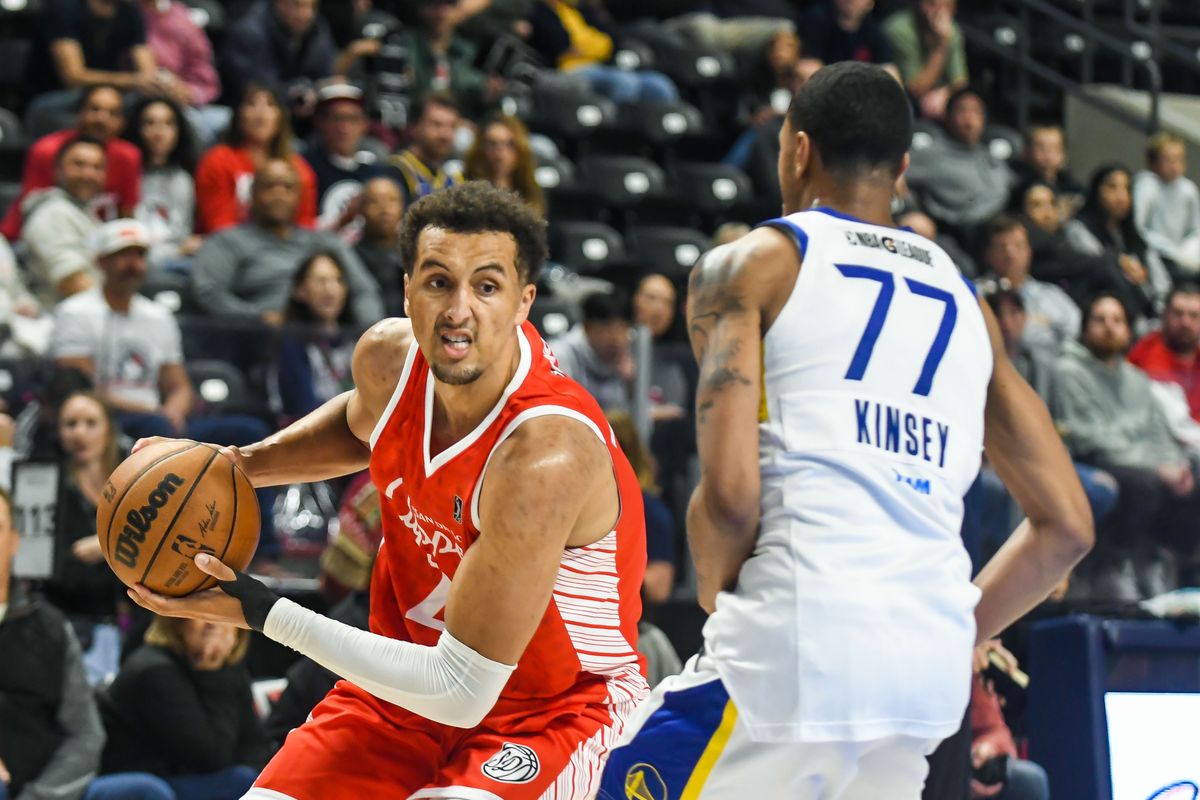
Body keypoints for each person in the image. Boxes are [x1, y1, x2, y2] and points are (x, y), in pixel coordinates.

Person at [598, 62, 1091, 798]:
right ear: (903, 168)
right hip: (924, 681)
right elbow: (1069, 527)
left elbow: (729, 498)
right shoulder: (968, 304)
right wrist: (958, 629)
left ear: (798, 150)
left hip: (800, 642)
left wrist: (721, 594)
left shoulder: (751, 266)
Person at [126, 181, 651, 798]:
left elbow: (462, 689)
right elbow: (362, 424)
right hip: (400, 695)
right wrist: (234, 466)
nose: (458, 310)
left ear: (523, 302)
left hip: (553, 711)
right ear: (407, 291)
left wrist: (261, 612)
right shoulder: (390, 360)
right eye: (438, 282)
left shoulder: (544, 454)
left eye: (486, 286)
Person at [51, 219, 282, 558]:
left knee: (250, 433)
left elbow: (179, 384)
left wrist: (175, 407)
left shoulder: (157, 316)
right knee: (157, 427)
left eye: (139, 255)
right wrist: (155, 412)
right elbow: (81, 388)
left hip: (158, 421)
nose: (133, 264)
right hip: (110, 419)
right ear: (100, 261)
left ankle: (261, 551)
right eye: (123, 256)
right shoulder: (75, 311)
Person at [0, 487, 176, 800]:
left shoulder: (49, 626)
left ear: (15, 539)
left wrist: (40, 795)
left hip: (47, 789)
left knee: (146, 792)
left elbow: (85, 733)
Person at [1052, 293, 1199, 599]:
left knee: (1192, 477)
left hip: (1140, 462)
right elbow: (1088, 437)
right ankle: (1113, 564)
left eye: (1117, 321)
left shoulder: (1137, 378)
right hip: (1092, 460)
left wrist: (1177, 465)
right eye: (1100, 320)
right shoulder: (1068, 371)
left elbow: (1158, 433)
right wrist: (1157, 467)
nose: (1109, 327)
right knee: (1144, 485)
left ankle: (1161, 559)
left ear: (1128, 330)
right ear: (1084, 328)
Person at [191, 159, 383, 324]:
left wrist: (369, 334)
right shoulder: (226, 241)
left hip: (323, 338)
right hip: (256, 339)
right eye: (269, 186)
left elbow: (364, 291)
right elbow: (208, 292)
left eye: (288, 188)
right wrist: (257, 319)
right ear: (252, 193)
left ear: (299, 196)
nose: (279, 194)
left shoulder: (324, 243)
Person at [99, 617, 270, 800]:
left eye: (223, 614)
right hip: (132, 780)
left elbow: (254, 746)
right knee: (240, 780)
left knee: (256, 780)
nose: (212, 623)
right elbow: (209, 757)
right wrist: (211, 668)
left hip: (178, 776)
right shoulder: (153, 669)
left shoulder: (230, 671)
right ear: (176, 622)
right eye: (201, 614)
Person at [0, 84, 142, 240]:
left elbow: (126, 213)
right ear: (79, 112)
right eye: (94, 109)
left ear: (122, 122)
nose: (102, 119)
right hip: (41, 234)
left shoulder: (128, 156)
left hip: (99, 239)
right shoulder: (46, 150)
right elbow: (33, 205)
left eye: (112, 113)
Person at [40, 390, 127, 627]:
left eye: (91, 423)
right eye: (71, 424)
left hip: (132, 609)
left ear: (109, 429)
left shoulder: (133, 479)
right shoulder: (49, 484)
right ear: (59, 432)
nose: (80, 433)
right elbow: (57, 568)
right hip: (71, 612)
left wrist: (105, 546)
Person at [194, 82, 318, 234]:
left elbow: (305, 227)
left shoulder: (299, 169)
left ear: (281, 116)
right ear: (239, 114)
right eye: (252, 104)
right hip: (230, 245)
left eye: (270, 105)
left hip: (286, 246)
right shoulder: (218, 161)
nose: (261, 114)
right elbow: (219, 225)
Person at [1065, 164, 1172, 323]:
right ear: (1096, 191)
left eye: (1126, 189)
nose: (1121, 196)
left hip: (1149, 312)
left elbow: (1162, 283)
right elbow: (1099, 266)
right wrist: (1120, 262)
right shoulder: (1078, 229)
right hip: (1103, 306)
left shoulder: (1134, 236)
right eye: (1112, 187)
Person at [906, 88, 1014, 238]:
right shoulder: (931, 154)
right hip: (958, 234)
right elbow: (893, 172)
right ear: (948, 117)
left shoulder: (990, 156)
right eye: (962, 110)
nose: (969, 118)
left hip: (1000, 226)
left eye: (976, 112)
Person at [974, 214, 1080, 364]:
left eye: (1018, 246)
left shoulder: (1052, 296)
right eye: (1002, 248)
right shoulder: (974, 294)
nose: (1010, 254)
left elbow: (1072, 336)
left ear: (1029, 251)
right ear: (988, 254)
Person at [528, 0, 679, 106]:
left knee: (659, 84)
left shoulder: (579, 10)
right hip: (570, 69)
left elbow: (611, 39)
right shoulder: (541, 12)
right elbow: (562, 46)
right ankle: (615, 127)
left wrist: (588, 47)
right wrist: (598, 45)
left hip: (601, 65)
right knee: (623, 82)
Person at [24, 0, 158, 119]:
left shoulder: (130, 12)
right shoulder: (64, 8)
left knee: (155, 104)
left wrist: (155, 82)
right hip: (58, 95)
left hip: (109, 92)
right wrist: (132, 80)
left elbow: (147, 71)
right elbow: (73, 77)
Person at [19, 137, 106, 305]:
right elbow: (72, 282)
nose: (88, 174)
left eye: (97, 167)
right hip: (58, 314)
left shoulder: (85, 213)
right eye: (79, 165)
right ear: (58, 169)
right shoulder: (52, 213)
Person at [274, 251, 358, 420]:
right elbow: (302, 407)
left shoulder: (356, 338)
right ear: (300, 290)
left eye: (337, 280)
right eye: (321, 281)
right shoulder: (291, 343)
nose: (330, 290)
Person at [219, 0, 337, 119]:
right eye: (297, 5)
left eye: (312, 6)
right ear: (279, 3)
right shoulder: (248, 32)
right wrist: (296, 91)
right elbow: (259, 87)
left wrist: (311, 90)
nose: (306, 14)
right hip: (245, 111)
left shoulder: (318, 29)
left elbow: (326, 77)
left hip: (300, 110)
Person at [128, 96, 202, 272]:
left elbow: (181, 234)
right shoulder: (128, 174)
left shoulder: (184, 178)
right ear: (137, 128)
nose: (159, 132)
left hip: (177, 260)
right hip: (134, 259)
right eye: (150, 123)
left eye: (168, 124)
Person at [306, 81, 391, 235]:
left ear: (364, 124)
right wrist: (344, 219)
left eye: (352, 119)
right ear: (320, 123)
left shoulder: (375, 173)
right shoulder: (306, 169)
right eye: (336, 118)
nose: (344, 128)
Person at [139, 0, 227, 143]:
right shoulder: (127, 14)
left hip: (183, 100)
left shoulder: (182, 19)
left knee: (224, 121)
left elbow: (204, 75)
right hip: (138, 95)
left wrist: (190, 92)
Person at [549, 289, 634, 413]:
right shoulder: (560, 354)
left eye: (623, 328)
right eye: (608, 329)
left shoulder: (630, 353)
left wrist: (631, 382)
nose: (616, 338)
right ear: (587, 327)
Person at [883, 0, 968, 119]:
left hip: (936, 100)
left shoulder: (952, 30)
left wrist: (945, 94)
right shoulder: (899, 30)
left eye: (946, 6)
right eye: (932, 4)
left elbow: (960, 84)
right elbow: (915, 89)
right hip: (903, 102)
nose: (939, 12)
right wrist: (941, 47)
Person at [1129, 283, 1200, 421]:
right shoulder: (1145, 354)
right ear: (1165, 315)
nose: (1185, 322)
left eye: (1193, 315)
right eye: (1178, 313)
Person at [1133, 131, 1200, 276]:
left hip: (1183, 256)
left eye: (1178, 158)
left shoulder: (1188, 189)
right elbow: (1138, 228)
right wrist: (1169, 250)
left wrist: (1186, 252)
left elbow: (1195, 230)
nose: (1174, 165)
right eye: (1168, 159)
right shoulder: (1146, 186)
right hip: (1154, 253)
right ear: (1153, 162)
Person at [464, 114, 547, 217]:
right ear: (480, 149)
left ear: (521, 149)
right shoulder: (466, 191)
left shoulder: (531, 193)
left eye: (510, 144)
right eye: (492, 144)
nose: (500, 153)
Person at [389, 91, 462, 207]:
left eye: (452, 126)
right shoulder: (395, 171)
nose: (445, 134)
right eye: (436, 125)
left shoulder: (452, 175)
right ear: (415, 127)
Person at [354, 176, 406, 317]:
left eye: (392, 200)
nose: (384, 209)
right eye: (374, 201)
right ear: (360, 209)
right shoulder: (351, 257)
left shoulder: (414, 254)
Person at [800, 0, 896, 73]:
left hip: (861, 87)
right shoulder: (816, 19)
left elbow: (887, 67)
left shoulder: (874, 29)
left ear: (870, 3)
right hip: (825, 85)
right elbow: (809, 65)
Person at [1015, 123, 1084, 214]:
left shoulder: (1073, 188)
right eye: (1041, 147)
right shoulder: (1015, 186)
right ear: (1026, 151)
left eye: (1055, 147)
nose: (1048, 153)